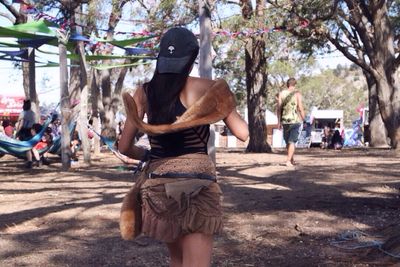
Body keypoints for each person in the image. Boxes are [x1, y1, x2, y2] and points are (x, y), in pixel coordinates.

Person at [118, 27, 249, 267]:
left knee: (178, 261)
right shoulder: (210, 88)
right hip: (196, 187)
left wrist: (146, 154)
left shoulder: (144, 92)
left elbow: (125, 146)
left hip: (158, 187)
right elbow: (243, 133)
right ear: (191, 59)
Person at [277, 78, 305, 167]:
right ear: (295, 84)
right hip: (294, 120)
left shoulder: (281, 94)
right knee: (292, 141)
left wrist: (279, 121)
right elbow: (300, 108)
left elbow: (279, 109)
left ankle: (291, 159)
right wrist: (304, 118)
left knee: (288, 141)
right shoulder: (297, 94)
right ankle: (288, 161)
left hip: (285, 121)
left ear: (287, 84)